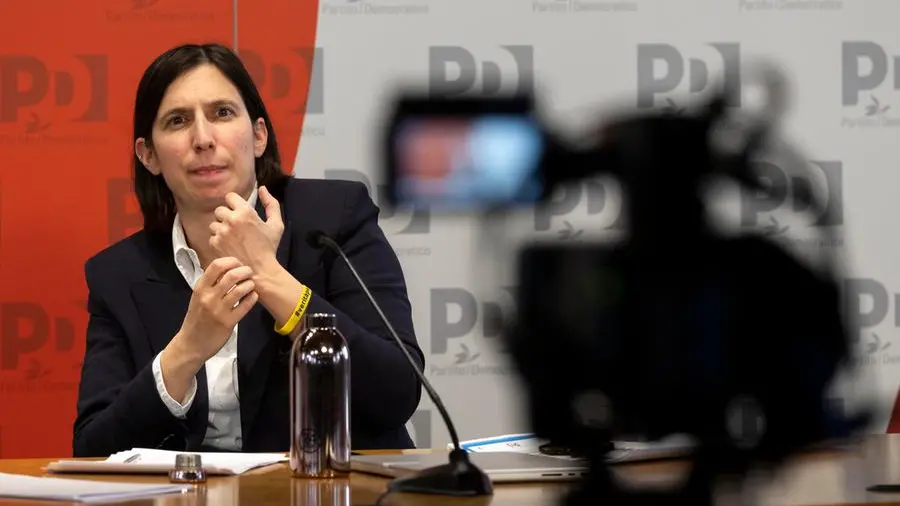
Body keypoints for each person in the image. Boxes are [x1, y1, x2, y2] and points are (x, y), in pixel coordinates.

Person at [72, 43, 424, 456]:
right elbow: (94, 450)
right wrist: (186, 349)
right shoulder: (119, 275)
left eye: (222, 113)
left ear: (258, 135)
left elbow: (396, 392)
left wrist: (269, 276)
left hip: (330, 483)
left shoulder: (333, 219)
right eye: (178, 120)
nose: (203, 139)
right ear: (149, 155)